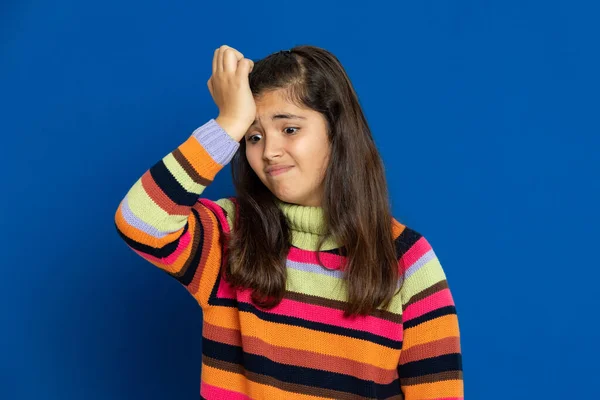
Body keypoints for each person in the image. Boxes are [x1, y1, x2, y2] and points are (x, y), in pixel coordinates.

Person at [114, 44, 464, 400]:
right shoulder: (228, 235)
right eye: (253, 136)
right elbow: (139, 220)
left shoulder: (407, 259)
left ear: (337, 131)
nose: (269, 151)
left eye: (290, 129)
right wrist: (228, 123)